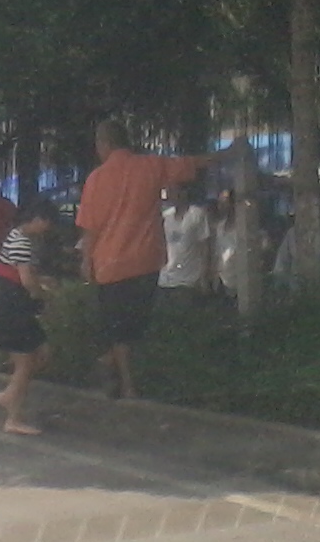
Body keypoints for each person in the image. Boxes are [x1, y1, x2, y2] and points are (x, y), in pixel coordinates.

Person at [76, 121, 214, 399]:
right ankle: (115, 371)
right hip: (146, 262)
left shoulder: (97, 179)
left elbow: (90, 228)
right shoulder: (150, 166)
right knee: (134, 327)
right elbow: (189, 164)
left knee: (118, 331)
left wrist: (85, 261)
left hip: (110, 265)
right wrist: (227, 154)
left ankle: (124, 381)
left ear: (103, 144)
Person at [0, 199, 61, 435]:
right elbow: (27, 280)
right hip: (13, 306)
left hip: (11, 303)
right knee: (26, 361)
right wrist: (43, 295)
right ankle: (11, 406)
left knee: (38, 355)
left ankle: (12, 403)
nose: (47, 229)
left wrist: (41, 281)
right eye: (47, 223)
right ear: (38, 219)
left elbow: (22, 273)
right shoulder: (21, 242)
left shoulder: (16, 237)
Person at [158, 181, 212, 310]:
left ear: (183, 193)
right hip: (165, 279)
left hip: (188, 279)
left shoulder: (197, 214)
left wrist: (204, 276)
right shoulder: (166, 216)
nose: (170, 194)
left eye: (173, 190)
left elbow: (205, 247)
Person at [212, 190, 240, 303]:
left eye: (224, 202)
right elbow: (217, 253)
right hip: (221, 281)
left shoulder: (243, 228)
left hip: (238, 282)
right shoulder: (219, 227)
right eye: (219, 203)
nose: (220, 206)